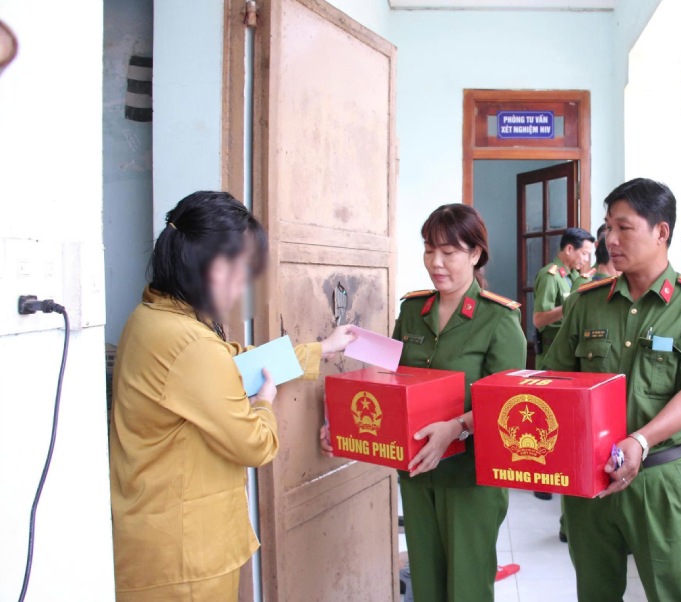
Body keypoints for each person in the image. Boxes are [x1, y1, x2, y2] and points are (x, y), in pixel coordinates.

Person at [109, 191, 356, 602]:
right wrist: (264, 403)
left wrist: (322, 348)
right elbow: (255, 444)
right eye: (242, 269)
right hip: (185, 558)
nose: (244, 283)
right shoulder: (190, 343)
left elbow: (236, 364)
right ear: (211, 267)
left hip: (157, 537)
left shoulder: (153, 317)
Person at [541, 178, 681, 602]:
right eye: (608, 228)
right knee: (595, 589)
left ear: (661, 231)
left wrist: (641, 441)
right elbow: (556, 379)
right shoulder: (585, 301)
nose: (611, 240)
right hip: (588, 477)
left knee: (670, 591)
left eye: (623, 228)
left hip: (659, 478)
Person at [325, 204, 526, 601]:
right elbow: (391, 381)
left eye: (449, 252)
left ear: (475, 254)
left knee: (467, 585)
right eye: (429, 249)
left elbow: (509, 406)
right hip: (417, 470)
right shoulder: (414, 310)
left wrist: (458, 426)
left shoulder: (499, 319)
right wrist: (343, 422)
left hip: (470, 477)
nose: (436, 262)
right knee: (426, 583)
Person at [532, 226, 596, 357]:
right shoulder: (550, 275)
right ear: (569, 249)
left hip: (571, 349)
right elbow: (538, 320)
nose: (586, 260)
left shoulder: (575, 277)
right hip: (552, 350)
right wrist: (569, 306)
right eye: (584, 254)